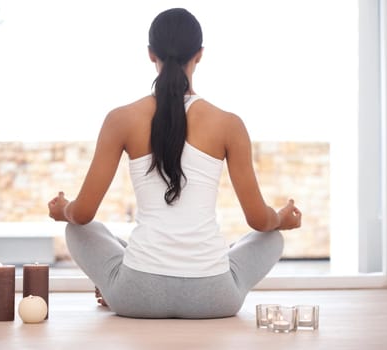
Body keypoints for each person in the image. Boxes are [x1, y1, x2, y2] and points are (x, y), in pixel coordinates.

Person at [48, 8, 302, 319]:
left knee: (78, 230)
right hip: (215, 298)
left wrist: (63, 211)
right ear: (200, 54)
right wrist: (281, 219)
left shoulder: (121, 120)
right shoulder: (228, 124)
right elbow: (259, 221)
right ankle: (205, 264)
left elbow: (83, 214)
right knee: (270, 238)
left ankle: (113, 286)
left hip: (135, 296)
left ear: (150, 54)